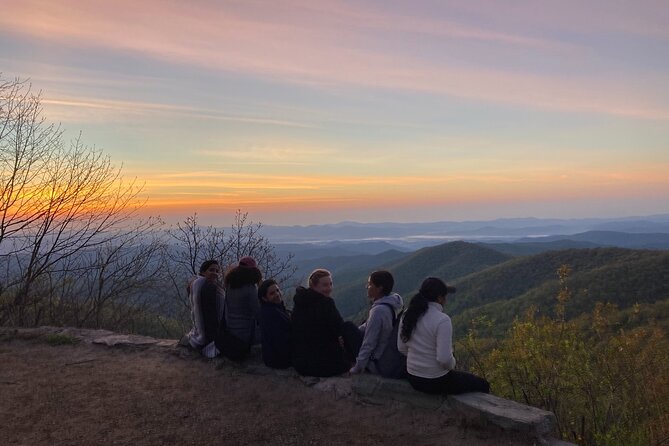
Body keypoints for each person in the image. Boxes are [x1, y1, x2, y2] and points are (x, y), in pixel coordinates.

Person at [398, 277, 490, 395]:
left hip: (412, 377)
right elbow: (444, 359)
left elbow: (401, 347)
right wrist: (453, 364)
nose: (446, 300)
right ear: (440, 298)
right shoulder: (442, 320)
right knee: (483, 384)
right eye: (445, 297)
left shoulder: (408, 314)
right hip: (435, 380)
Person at [291, 269, 355, 377]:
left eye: (331, 284)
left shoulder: (299, 303)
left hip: (300, 363)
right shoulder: (326, 303)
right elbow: (340, 328)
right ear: (313, 286)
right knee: (349, 328)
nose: (329, 288)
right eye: (325, 285)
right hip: (323, 364)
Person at [349, 270, 404, 376]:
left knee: (347, 327)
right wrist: (358, 330)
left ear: (379, 288)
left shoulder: (378, 311)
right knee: (353, 329)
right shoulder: (394, 304)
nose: (367, 287)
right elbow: (369, 326)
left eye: (370, 284)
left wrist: (358, 367)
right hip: (388, 356)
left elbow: (369, 342)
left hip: (376, 361)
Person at [186, 260, 226, 358]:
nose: (215, 273)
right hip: (207, 336)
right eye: (211, 270)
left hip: (197, 333)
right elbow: (211, 315)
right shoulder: (207, 287)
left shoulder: (195, 282)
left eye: (217, 271)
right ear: (203, 272)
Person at [223, 256, 262, 348]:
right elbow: (258, 313)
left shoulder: (230, 285)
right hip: (245, 335)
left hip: (231, 331)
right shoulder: (250, 288)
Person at [258, 279, 291, 369]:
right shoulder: (271, 313)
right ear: (264, 298)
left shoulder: (274, 308)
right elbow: (281, 341)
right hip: (279, 359)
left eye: (277, 290)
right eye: (272, 293)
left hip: (272, 357)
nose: (277, 294)